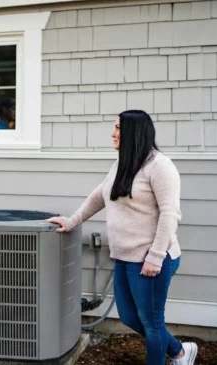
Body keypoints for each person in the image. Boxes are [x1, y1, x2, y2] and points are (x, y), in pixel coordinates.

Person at [46, 110, 197, 365]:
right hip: (125, 257)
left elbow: (171, 214)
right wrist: (72, 221)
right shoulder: (123, 163)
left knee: (152, 323)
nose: (113, 133)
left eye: (118, 128)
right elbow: (100, 195)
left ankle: (175, 357)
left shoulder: (160, 166)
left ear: (134, 132)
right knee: (128, 316)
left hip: (151, 259)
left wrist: (156, 256)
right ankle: (181, 352)